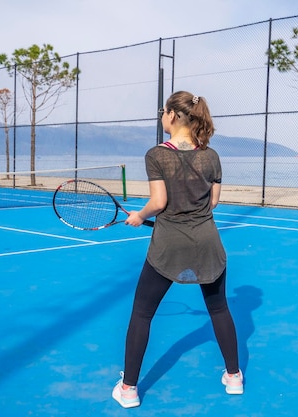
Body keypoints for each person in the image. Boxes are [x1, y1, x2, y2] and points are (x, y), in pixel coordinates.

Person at [111, 91, 243, 408]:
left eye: (162, 110)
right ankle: (234, 377)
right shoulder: (211, 157)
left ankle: (128, 389)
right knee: (220, 309)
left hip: (168, 247)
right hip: (208, 243)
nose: (161, 116)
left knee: (142, 314)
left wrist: (139, 216)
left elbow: (159, 203)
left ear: (171, 114)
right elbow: (212, 202)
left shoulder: (157, 155)